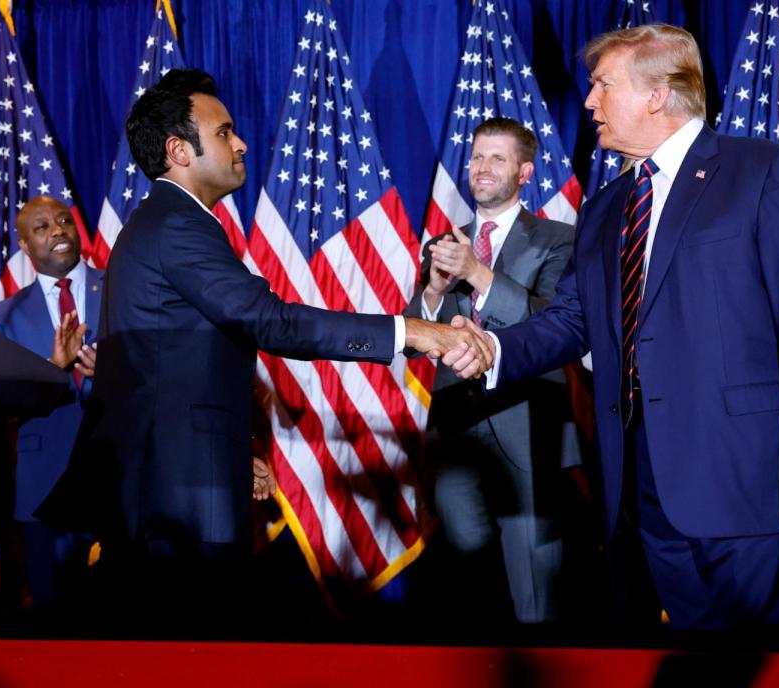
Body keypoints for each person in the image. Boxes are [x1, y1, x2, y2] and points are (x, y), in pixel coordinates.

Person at [37, 69, 489, 624]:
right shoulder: (177, 225)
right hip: (173, 498)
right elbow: (270, 322)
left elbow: (175, 365)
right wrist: (414, 331)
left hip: (176, 481)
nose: (241, 142)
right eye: (224, 132)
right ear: (179, 150)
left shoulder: (169, 222)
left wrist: (231, 448)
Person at [447, 24, 779, 630]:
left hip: (752, 482)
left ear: (657, 95)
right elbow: (571, 318)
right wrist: (489, 347)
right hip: (643, 492)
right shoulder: (607, 205)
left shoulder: (762, 171)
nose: (589, 102)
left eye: (603, 85)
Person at [404, 118, 580, 623]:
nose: (482, 168)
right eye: (477, 156)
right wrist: (435, 290)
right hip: (456, 428)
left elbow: (553, 325)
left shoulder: (559, 238)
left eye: (497, 158)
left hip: (528, 424)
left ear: (524, 171)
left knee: (533, 583)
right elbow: (419, 340)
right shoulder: (445, 241)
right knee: (465, 579)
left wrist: (475, 273)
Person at [0, 196, 100, 611]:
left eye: (65, 220)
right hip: (45, 486)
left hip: (120, 478)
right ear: (25, 246)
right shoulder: (2, 318)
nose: (58, 230)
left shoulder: (124, 291)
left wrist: (116, 373)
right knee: (54, 622)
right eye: (42, 227)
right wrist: (54, 367)